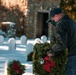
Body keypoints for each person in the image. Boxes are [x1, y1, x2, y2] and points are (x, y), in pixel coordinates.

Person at [46, 7, 76, 75]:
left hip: (70, 57)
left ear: (57, 15)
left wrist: (51, 51)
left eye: (52, 18)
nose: (53, 21)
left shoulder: (61, 25)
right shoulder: (72, 22)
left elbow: (61, 43)